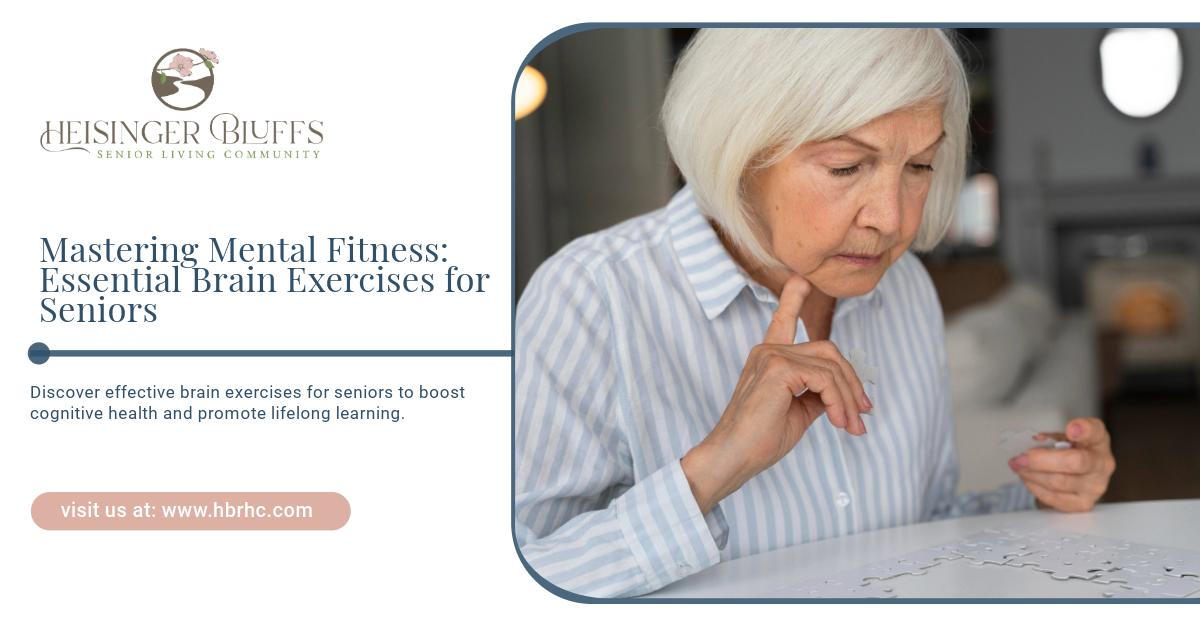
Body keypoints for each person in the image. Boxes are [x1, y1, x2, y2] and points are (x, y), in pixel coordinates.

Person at [514, 28, 1115, 599]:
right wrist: (712, 470)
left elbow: (921, 526)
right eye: (846, 167)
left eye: (919, 167)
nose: (892, 218)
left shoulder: (905, 290)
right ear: (739, 149)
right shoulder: (592, 297)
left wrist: (1042, 498)